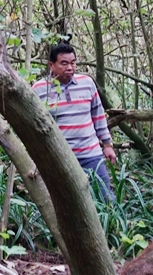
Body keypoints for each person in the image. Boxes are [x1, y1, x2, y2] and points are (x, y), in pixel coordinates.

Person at [32, 43, 116, 199]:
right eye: (64, 63)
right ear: (51, 65)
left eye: (73, 62)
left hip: (91, 154)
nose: (70, 67)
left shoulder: (87, 83)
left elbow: (98, 115)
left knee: (105, 199)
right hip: (60, 157)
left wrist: (107, 144)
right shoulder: (39, 89)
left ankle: (109, 224)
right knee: (67, 201)